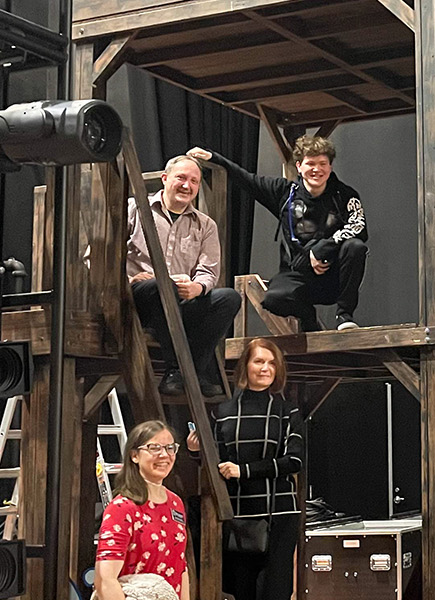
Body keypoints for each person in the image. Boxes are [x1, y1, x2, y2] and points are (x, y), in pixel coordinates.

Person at [186, 138, 367, 331]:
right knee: (273, 300)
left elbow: (360, 228)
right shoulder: (284, 193)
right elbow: (247, 179)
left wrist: (322, 250)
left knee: (356, 247)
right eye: (310, 164)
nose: (317, 169)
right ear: (299, 166)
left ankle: (344, 315)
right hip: (300, 275)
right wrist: (215, 158)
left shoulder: (345, 195)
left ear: (330, 167)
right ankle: (308, 317)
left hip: (334, 277)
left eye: (322, 164)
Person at [185, 338, 302, 600]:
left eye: (272, 363)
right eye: (259, 361)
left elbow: (294, 461)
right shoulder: (222, 412)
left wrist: (244, 471)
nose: (266, 368)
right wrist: (196, 454)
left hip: (280, 513)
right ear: (245, 366)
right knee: (241, 592)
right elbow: (218, 465)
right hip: (238, 514)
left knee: (275, 592)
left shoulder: (287, 410)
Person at [127, 154, 242, 398]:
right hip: (140, 300)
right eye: (181, 178)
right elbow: (93, 256)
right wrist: (130, 279)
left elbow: (209, 271)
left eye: (194, 181)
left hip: (179, 304)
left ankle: (182, 372)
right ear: (165, 178)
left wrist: (197, 288)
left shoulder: (205, 225)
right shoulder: (134, 209)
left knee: (229, 298)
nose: (187, 186)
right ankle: (181, 370)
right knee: (160, 285)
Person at [95, 420, 190, 600]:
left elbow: (180, 566)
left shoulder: (175, 503)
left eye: (170, 448)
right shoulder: (122, 508)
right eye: (154, 448)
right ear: (134, 455)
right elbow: (105, 580)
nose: (164, 455)